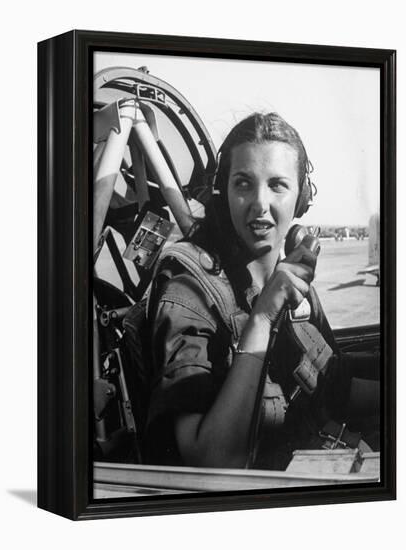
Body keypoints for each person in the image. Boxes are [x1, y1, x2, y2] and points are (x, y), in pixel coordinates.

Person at [144, 112, 379, 470]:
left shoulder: (291, 279)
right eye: (243, 183)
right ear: (223, 193)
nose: (259, 202)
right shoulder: (189, 294)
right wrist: (263, 317)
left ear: (301, 199)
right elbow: (213, 461)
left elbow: (336, 389)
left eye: (277, 185)